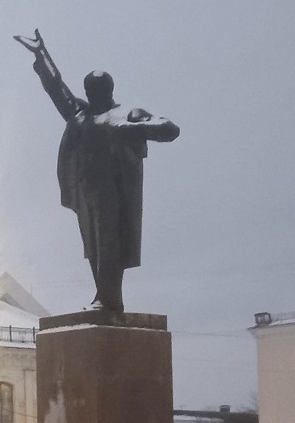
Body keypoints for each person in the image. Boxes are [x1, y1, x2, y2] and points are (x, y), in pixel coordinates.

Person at [16, 31, 180, 312]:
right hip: (86, 190)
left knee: (109, 243)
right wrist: (41, 55)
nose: (93, 97)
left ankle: (107, 298)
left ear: (109, 91)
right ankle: (104, 296)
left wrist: (128, 128)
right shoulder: (81, 114)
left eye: (98, 92)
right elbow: (57, 89)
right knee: (93, 246)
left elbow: (169, 129)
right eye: (90, 92)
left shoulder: (128, 113)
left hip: (116, 191)